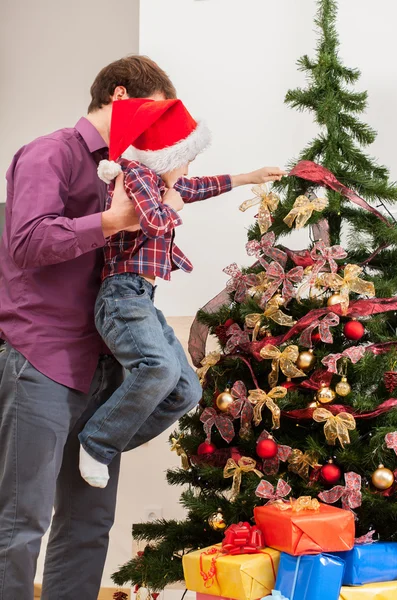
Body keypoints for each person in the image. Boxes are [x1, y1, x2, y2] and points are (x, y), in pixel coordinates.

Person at [0, 56, 177, 600]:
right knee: (21, 523)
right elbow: (27, 241)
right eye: (155, 115)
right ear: (120, 96)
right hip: (41, 357)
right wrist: (113, 220)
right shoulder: (48, 153)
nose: (159, 131)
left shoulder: (130, 170)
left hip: (105, 365)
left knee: (88, 526)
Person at [77, 97, 286, 488]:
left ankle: (102, 441)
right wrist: (173, 200)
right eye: (185, 159)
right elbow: (155, 224)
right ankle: (95, 441)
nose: (189, 170)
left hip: (141, 297)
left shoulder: (161, 181)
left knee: (185, 391)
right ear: (165, 156)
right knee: (158, 369)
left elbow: (198, 187)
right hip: (121, 295)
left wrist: (247, 177)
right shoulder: (136, 174)